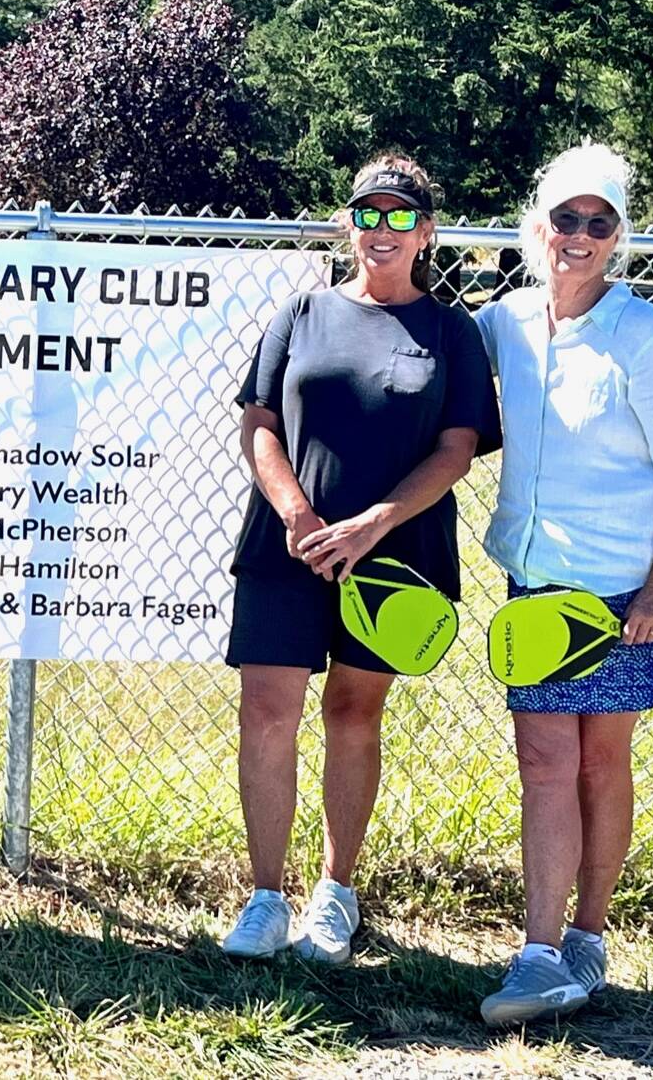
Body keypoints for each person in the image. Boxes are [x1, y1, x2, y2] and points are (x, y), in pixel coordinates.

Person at [220, 154, 502, 963]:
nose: (383, 230)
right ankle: (266, 898)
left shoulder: (451, 330)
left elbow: (457, 449)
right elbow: (260, 425)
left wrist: (374, 523)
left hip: (395, 558)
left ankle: (335, 895)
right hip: (289, 549)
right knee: (268, 713)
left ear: (427, 232)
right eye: (368, 214)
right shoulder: (301, 312)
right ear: (349, 224)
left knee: (353, 713)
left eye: (401, 216)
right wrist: (298, 513)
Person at [474, 144, 653, 1025]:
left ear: (618, 237)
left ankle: (589, 933)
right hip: (537, 589)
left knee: (598, 764)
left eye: (598, 222)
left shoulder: (642, 335)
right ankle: (538, 954)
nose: (578, 236)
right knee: (544, 760)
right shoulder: (503, 323)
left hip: (624, 599)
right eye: (564, 218)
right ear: (536, 225)